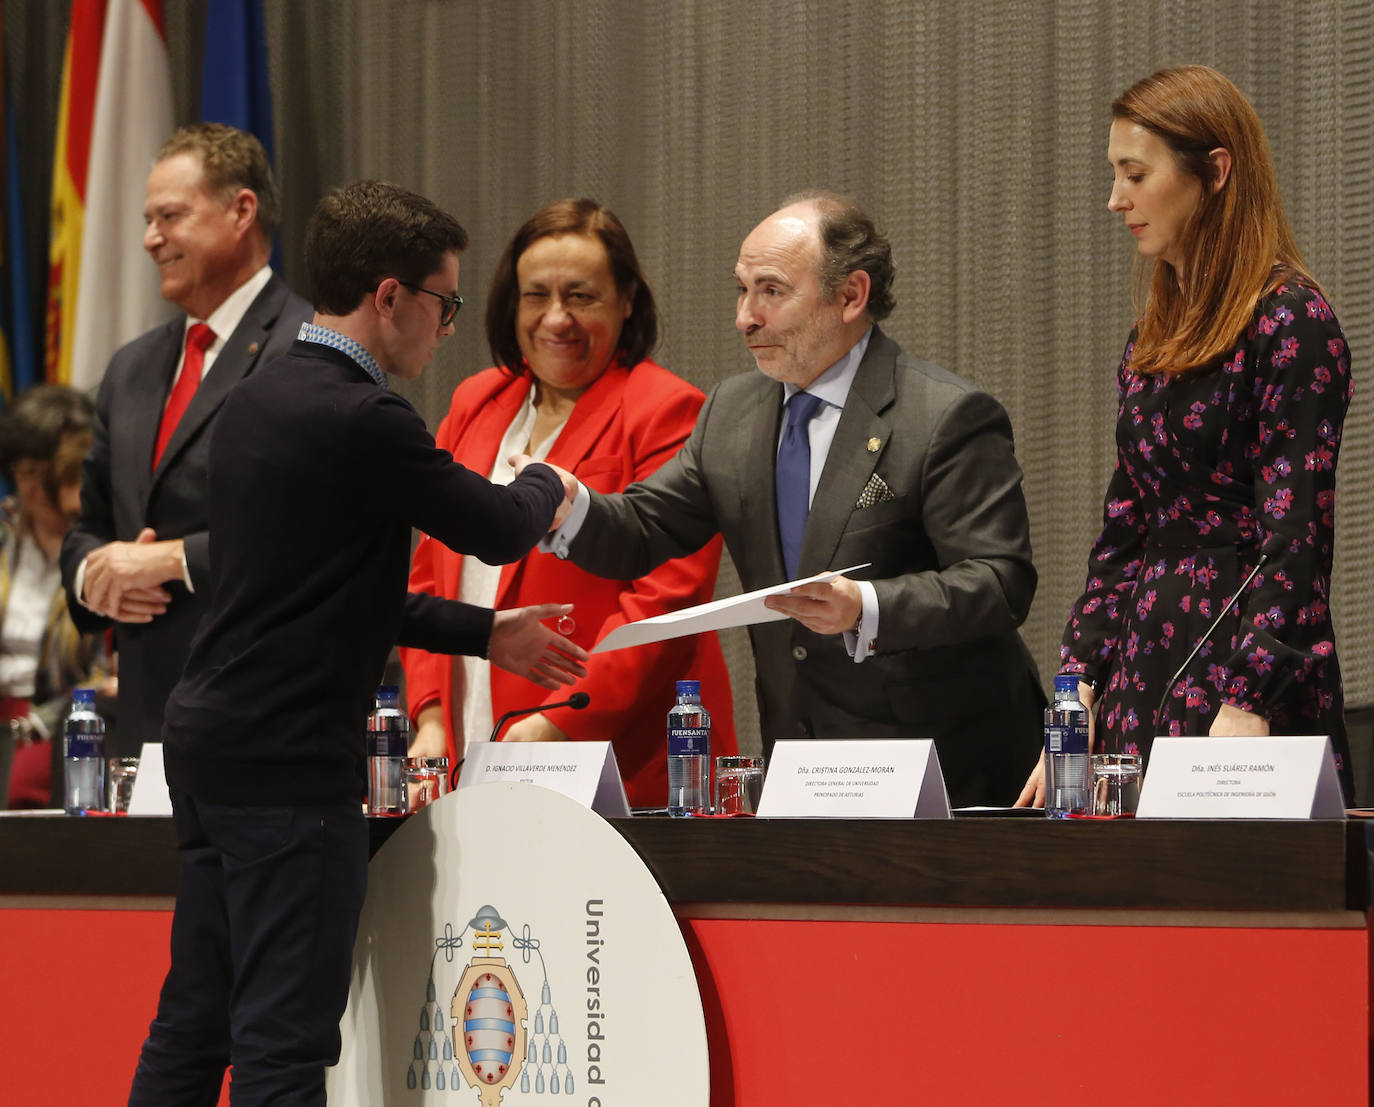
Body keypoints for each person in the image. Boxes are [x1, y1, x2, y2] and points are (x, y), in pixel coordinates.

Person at [126, 180, 585, 1105]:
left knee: (195, 1018)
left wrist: (485, 632)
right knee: (284, 1043)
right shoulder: (364, 415)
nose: (447, 326)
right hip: (292, 763)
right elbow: (496, 526)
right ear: (390, 297)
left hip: (213, 745)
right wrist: (550, 477)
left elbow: (322, 591)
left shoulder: (260, 395)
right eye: (444, 303)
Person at [535, 192, 1044, 807]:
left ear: (851, 296)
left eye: (771, 291)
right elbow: (645, 526)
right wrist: (570, 504)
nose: (745, 317)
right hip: (802, 766)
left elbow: (998, 582)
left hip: (943, 771)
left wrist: (867, 606)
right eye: (742, 290)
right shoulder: (733, 411)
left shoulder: (944, 415)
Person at [1017, 66, 1355, 806]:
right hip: (1149, 657)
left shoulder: (1291, 320)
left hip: (1246, 672)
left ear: (1215, 172)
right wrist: (1075, 699)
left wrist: (1250, 695)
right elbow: (1123, 533)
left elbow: (1295, 533)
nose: (1116, 199)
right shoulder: (1153, 335)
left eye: (1135, 174)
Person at [400, 198, 735, 806]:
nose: (557, 319)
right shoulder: (476, 400)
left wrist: (563, 719)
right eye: (536, 296)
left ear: (627, 300)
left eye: (581, 296)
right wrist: (427, 715)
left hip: (614, 753)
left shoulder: (666, 408)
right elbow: (427, 575)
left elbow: (665, 597)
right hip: (467, 733)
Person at [60, 123, 314, 758]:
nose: (150, 239)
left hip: (268, 727)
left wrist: (173, 560)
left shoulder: (311, 347)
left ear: (241, 211)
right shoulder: (132, 367)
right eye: (148, 220)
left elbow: (320, 532)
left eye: (170, 216)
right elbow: (88, 526)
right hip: (146, 728)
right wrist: (95, 573)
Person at [0, 386, 109, 808]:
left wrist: (42, 722)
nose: (32, 489)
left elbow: (106, 671)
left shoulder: (101, 546)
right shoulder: (5, 529)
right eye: (22, 472)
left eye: (41, 472)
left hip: (66, 725)